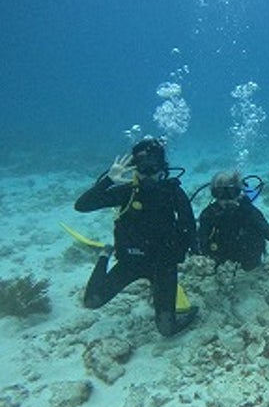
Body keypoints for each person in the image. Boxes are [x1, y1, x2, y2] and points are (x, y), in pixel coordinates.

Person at [74, 137, 198, 336]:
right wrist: (109, 179)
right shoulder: (126, 192)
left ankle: (188, 311)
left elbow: (189, 225)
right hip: (130, 262)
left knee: (167, 329)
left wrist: (186, 251)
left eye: (153, 168)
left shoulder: (173, 192)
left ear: (163, 168)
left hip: (163, 264)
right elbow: (82, 206)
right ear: (134, 169)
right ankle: (104, 254)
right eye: (143, 168)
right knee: (91, 301)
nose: (148, 175)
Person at [198, 170, 269, 271]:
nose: (226, 199)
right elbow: (201, 243)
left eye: (231, 193)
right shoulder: (208, 215)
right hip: (220, 264)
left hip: (248, 263)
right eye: (220, 193)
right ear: (214, 193)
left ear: (239, 192)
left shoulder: (249, 211)